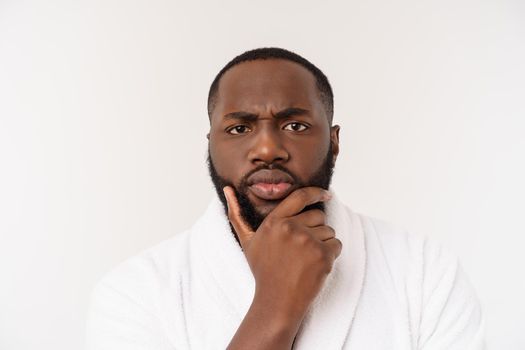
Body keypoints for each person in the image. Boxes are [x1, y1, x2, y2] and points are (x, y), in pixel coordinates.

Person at [86, 47, 485, 349]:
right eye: (240, 128)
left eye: (295, 124)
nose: (267, 149)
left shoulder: (425, 272)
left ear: (333, 141)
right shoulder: (135, 292)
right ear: (211, 145)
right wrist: (274, 307)